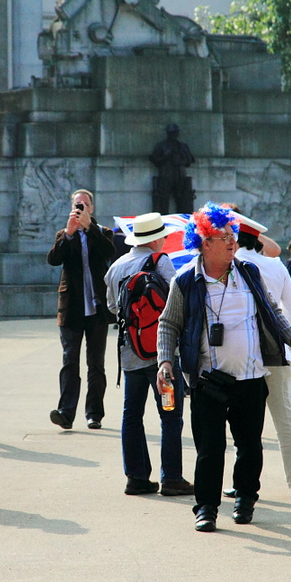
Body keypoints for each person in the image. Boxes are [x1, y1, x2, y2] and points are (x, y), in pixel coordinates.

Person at [156, 203, 291, 532]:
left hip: (251, 377)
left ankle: (245, 498)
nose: (232, 241)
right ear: (203, 242)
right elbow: (168, 325)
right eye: (223, 236)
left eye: (232, 235)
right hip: (207, 380)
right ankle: (207, 508)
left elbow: (272, 312)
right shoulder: (185, 282)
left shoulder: (249, 273)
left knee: (250, 445)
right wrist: (165, 360)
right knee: (209, 449)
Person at [104, 212, 193, 497]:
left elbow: (112, 308)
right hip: (161, 357)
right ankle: (171, 477)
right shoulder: (160, 262)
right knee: (169, 413)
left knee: (132, 415)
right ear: (155, 239)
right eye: (163, 236)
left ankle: (137, 477)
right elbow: (177, 299)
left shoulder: (116, 267)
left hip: (131, 354)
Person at [232, 213, 291, 499]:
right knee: (286, 419)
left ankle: (239, 481)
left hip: (239, 351)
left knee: (242, 422)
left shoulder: (227, 264)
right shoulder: (273, 264)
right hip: (274, 349)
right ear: (258, 240)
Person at [46, 189, 115, 430]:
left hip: (96, 310)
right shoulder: (64, 234)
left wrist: (90, 228)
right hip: (71, 309)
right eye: (77, 204)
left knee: (96, 364)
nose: (81, 208)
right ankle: (66, 412)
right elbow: (53, 259)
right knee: (69, 361)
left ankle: (94, 413)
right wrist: (69, 234)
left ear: (92, 208)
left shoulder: (103, 232)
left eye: (85, 204)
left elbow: (110, 253)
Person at [149, 123, 195, 214]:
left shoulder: (182, 146)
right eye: (171, 133)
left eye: (175, 133)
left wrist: (181, 160)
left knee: (182, 200)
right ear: (168, 134)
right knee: (163, 200)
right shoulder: (161, 145)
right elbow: (155, 160)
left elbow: (190, 160)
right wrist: (166, 156)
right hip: (166, 175)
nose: (173, 135)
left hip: (180, 175)